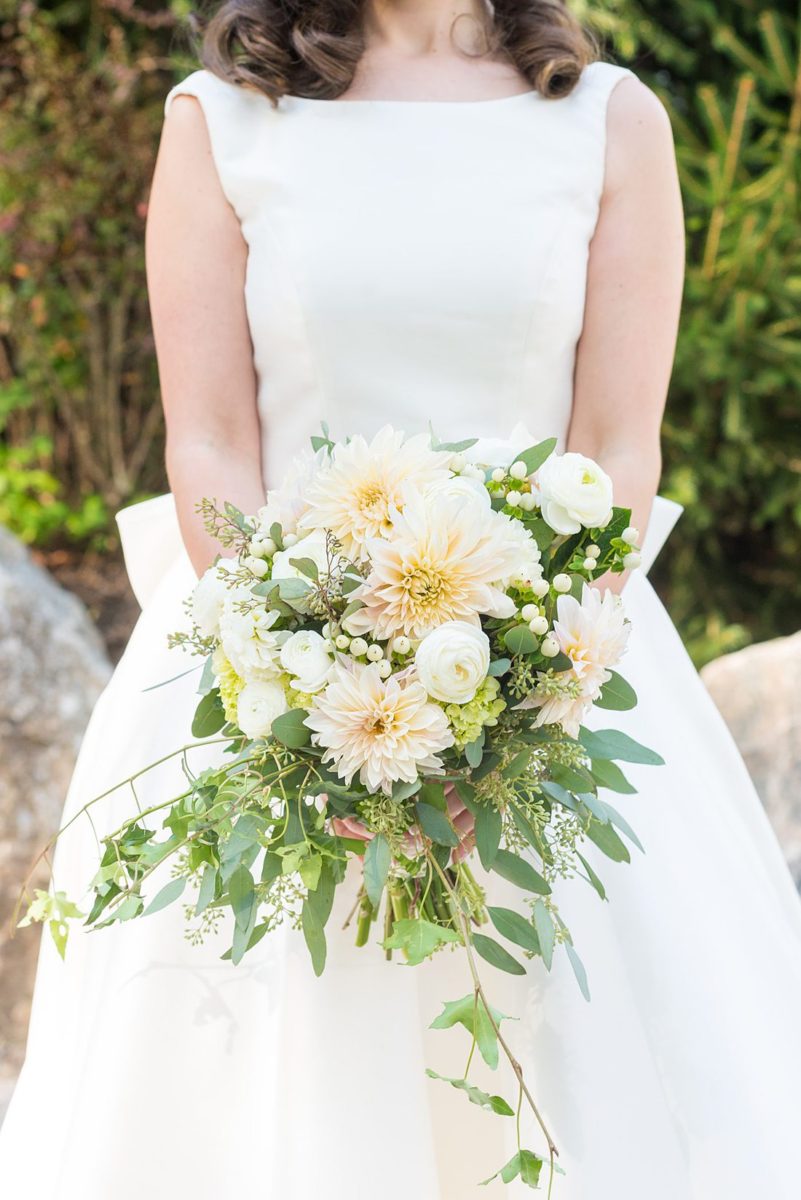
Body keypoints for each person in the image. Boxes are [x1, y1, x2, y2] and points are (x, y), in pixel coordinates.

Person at [3, 2, 801, 1197]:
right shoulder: (222, 121)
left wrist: (525, 703)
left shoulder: (607, 122)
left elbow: (616, 449)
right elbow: (213, 447)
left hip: (556, 667)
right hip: (264, 673)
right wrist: (307, 684)